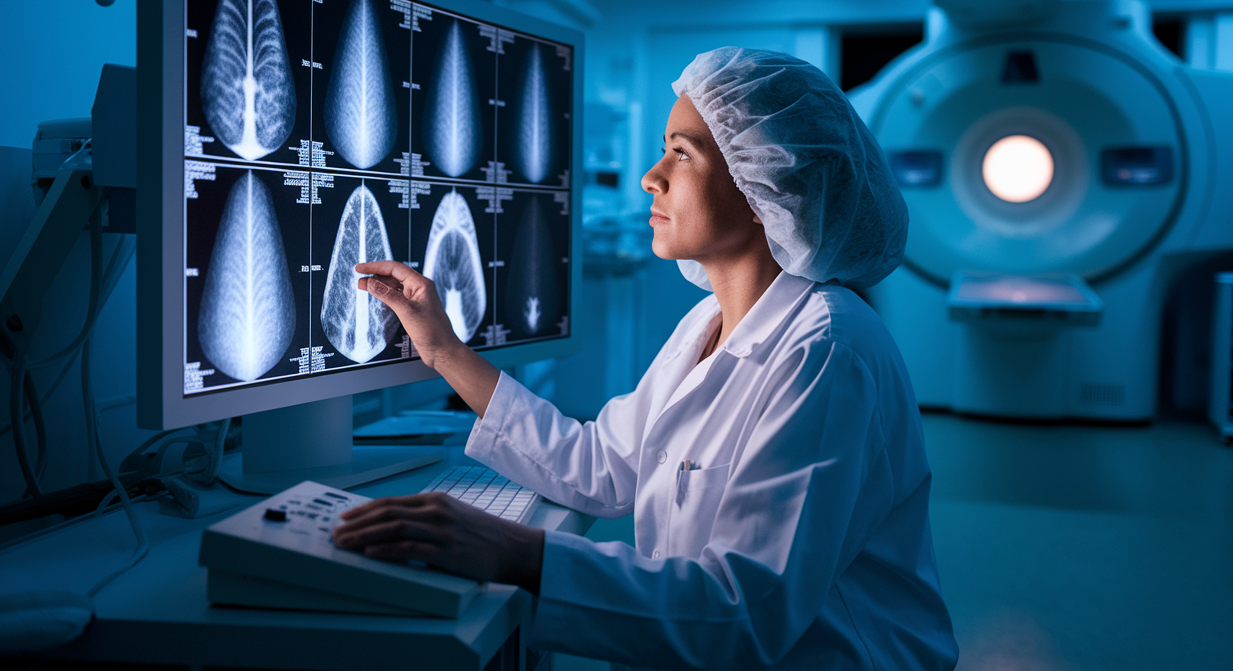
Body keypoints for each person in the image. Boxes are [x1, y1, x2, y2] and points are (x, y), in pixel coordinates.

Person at [332, 47, 958, 670]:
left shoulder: (825, 351)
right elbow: (602, 466)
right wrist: (443, 351)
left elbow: (743, 611)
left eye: (683, 153)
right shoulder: (709, 322)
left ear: (769, 179)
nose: (650, 176)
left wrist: (514, 550)